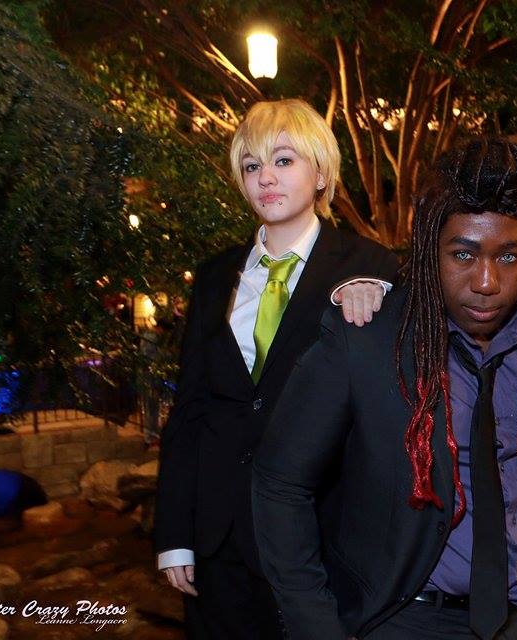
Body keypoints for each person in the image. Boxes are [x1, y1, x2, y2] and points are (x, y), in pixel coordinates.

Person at [253, 138, 517, 640]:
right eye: (463, 254)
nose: (486, 281)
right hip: (407, 620)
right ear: (432, 249)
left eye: (508, 257)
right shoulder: (366, 339)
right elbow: (280, 482)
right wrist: (317, 626)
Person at [153, 98, 399, 639]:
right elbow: (190, 409)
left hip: (323, 537)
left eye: (284, 160)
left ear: (322, 173)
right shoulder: (214, 276)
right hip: (218, 540)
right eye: (252, 165)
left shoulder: (372, 268)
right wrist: (174, 536)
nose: (265, 178)